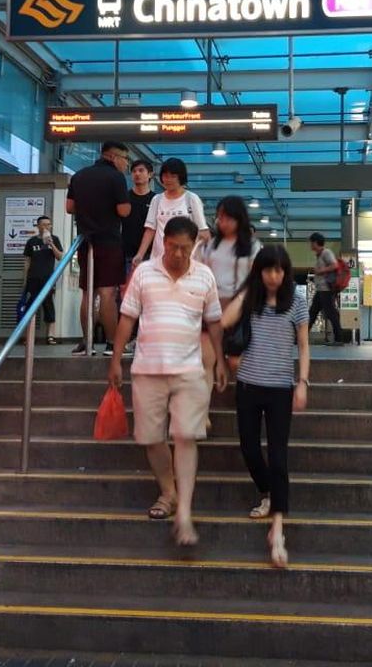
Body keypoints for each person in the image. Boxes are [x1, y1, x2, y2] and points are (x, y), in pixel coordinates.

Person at [109, 216, 226, 547]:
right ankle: (168, 491)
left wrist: (218, 363)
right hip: (147, 368)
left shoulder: (203, 275)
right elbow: (127, 317)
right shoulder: (145, 272)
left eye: (185, 249)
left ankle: (184, 511)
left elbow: (215, 322)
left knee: (186, 437)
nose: (177, 254)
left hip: (189, 370)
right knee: (150, 437)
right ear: (163, 241)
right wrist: (116, 360)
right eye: (172, 247)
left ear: (194, 247)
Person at [221, 245, 309, 568]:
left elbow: (303, 345)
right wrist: (246, 293)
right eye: (268, 270)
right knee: (248, 447)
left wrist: (303, 383)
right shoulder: (252, 300)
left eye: (280, 270)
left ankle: (278, 530)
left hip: (280, 389)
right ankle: (269, 492)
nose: (275, 276)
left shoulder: (297, 303)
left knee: (279, 455)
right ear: (259, 271)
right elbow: (225, 320)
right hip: (247, 385)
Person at [67, 141, 131, 356]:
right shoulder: (116, 178)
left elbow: (69, 207)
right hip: (109, 241)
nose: (126, 165)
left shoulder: (79, 175)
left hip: (85, 241)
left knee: (88, 293)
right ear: (113, 157)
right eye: (125, 159)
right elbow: (123, 211)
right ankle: (112, 344)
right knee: (107, 293)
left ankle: (87, 342)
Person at [197, 196, 259, 377]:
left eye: (228, 218)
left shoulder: (252, 246)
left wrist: (241, 301)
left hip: (240, 307)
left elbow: (255, 278)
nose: (222, 222)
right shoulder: (210, 246)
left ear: (239, 219)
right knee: (206, 358)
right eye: (219, 217)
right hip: (212, 305)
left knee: (235, 360)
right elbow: (200, 271)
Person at [132, 157, 210, 266]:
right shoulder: (157, 199)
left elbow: (203, 232)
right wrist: (140, 254)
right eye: (165, 176)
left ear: (181, 178)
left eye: (173, 176)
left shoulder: (191, 199)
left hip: (186, 260)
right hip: (158, 259)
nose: (168, 180)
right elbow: (150, 230)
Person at [21, 215, 65, 344]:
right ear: (38, 226)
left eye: (49, 224)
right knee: (30, 306)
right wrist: (25, 279)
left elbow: (60, 257)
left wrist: (51, 243)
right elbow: (27, 261)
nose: (47, 227)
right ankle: (28, 336)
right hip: (33, 278)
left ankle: (50, 336)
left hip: (48, 279)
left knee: (49, 306)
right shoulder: (31, 242)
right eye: (44, 224)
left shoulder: (54, 239)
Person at [308, 232, 344, 344]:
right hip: (321, 290)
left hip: (326, 289)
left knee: (331, 313)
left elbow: (335, 265)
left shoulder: (326, 252)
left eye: (311, 242)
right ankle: (300, 337)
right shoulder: (320, 254)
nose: (310, 245)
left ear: (315, 242)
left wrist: (320, 271)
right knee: (312, 313)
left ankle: (339, 339)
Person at [123, 158, 156, 271]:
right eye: (134, 171)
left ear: (150, 174)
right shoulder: (124, 198)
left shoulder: (156, 199)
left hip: (151, 255)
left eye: (141, 170)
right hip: (126, 254)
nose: (137, 174)